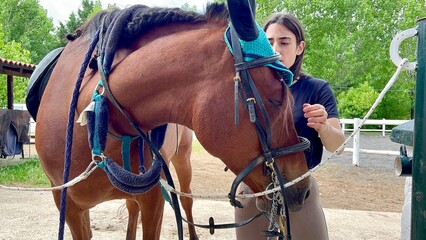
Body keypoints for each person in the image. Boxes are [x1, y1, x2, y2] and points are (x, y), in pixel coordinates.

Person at [235, 13, 346, 240]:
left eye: (284, 42)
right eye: (269, 42)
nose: (276, 48)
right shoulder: (248, 89)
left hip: (299, 185)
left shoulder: (317, 89)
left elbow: (338, 147)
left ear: (299, 47)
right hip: (254, 185)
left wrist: (323, 127)